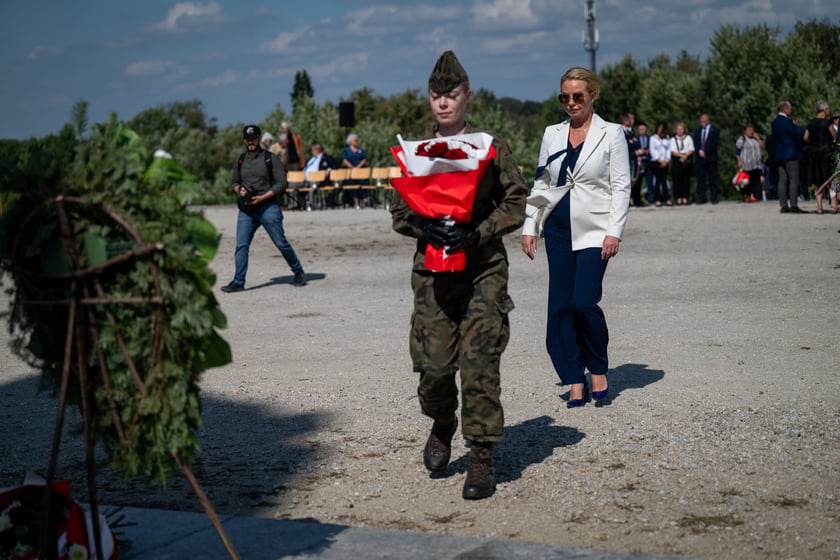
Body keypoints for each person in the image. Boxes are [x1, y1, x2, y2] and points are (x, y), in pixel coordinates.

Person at [390, 51, 527, 500]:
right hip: (432, 272)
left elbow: (516, 202)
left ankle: (482, 457)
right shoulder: (416, 152)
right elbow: (398, 209)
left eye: (451, 95)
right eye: (436, 96)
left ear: (467, 96)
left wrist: (479, 232)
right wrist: (422, 224)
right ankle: (442, 421)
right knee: (432, 370)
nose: (443, 103)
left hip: (483, 268)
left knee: (479, 363)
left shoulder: (490, 146)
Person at [521, 67, 630, 411]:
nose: (570, 103)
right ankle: (573, 377)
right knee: (561, 306)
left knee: (584, 302)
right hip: (557, 229)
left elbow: (621, 186)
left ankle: (597, 367)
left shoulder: (611, 134)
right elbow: (542, 183)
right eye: (564, 97)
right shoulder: (552, 134)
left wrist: (615, 231)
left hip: (596, 230)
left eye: (577, 96)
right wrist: (529, 226)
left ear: (593, 95)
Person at [221, 124, 306, 292]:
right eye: (248, 139)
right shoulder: (240, 160)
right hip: (247, 210)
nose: (251, 142)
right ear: (244, 140)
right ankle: (238, 281)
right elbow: (234, 183)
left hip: (268, 207)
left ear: (259, 139)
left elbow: (281, 184)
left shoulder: (270, 158)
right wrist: (239, 190)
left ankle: (298, 271)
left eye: (253, 139)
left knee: (281, 243)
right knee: (241, 245)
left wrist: (263, 196)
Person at [771, 100, 807, 213]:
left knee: (782, 180)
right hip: (790, 152)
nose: (791, 110)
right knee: (793, 179)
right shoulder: (787, 122)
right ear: (785, 109)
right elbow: (795, 135)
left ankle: (783, 205)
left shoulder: (774, 122)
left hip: (779, 153)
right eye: (790, 108)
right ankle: (793, 205)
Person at [803, 100, 835, 214]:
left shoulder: (810, 123)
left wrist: (812, 143)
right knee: (829, 180)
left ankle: (819, 207)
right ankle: (833, 205)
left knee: (817, 181)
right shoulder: (827, 123)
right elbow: (834, 136)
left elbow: (805, 137)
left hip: (813, 154)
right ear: (824, 110)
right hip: (825, 153)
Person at [692, 113, 720, 204]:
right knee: (700, 178)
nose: (703, 122)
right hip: (700, 158)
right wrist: (699, 150)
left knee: (713, 178)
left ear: (708, 120)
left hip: (711, 157)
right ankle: (701, 197)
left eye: (704, 120)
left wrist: (706, 151)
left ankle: (714, 197)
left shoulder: (715, 130)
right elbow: (695, 143)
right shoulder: (697, 131)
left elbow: (714, 143)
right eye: (701, 121)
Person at [735, 124, 764, 203]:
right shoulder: (742, 139)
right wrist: (739, 161)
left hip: (756, 165)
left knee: (756, 182)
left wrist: (758, 138)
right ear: (745, 131)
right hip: (746, 165)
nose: (751, 132)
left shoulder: (755, 139)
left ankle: (756, 197)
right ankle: (747, 196)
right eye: (749, 130)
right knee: (747, 182)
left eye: (752, 130)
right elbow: (737, 151)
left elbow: (762, 146)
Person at [303, 143, 337, 210]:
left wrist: (329, 169)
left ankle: (311, 204)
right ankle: (296, 205)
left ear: (317, 150)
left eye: (312, 150)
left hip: (319, 179)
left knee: (313, 185)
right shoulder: (311, 159)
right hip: (305, 179)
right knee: (293, 185)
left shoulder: (326, 158)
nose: (311, 152)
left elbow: (335, 165)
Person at [670, 121, 695, 206]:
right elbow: (672, 151)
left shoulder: (688, 138)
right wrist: (680, 156)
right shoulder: (673, 139)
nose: (680, 131)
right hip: (677, 160)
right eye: (678, 129)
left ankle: (685, 197)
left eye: (681, 129)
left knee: (686, 180)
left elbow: (691, 149)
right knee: (677, 179)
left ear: (684, 130)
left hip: (686, 158)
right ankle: (678, 197)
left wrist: (685, 156)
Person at [342, 133, 369, 209]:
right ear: (350, 141)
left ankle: (365, 200)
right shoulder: (346, 151)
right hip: (350, 171)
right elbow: (345, 160)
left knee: (364, 182)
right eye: (355, 140)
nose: (357, 141)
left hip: (360, 171)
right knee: (350, 183)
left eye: (357, 140)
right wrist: (353, 168)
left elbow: (364, 159)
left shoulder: (361, 150)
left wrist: (358, 167)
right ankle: (354, 200)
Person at [650, 122, 672, 206]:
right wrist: (660, 161)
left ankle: (667, 198)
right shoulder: (653, 138)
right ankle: (657, 199)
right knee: (658, 180)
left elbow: (668, 150)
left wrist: (666, 160)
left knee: (664, 180)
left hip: (665, 161)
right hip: (656, 161)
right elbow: (653, 151)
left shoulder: (667, 138)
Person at [634, 122, 653, 206]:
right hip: (639, 163)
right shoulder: (635, 139)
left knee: (650, 181)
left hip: (648, 162)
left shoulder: (650, 138)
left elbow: (653, 149)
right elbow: (634, 150)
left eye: (644, 129)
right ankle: (637, 201)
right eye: (640, 129)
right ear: (638, 130)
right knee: (638, 182)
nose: (642, 131)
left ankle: (651, 199)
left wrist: (648, 151)